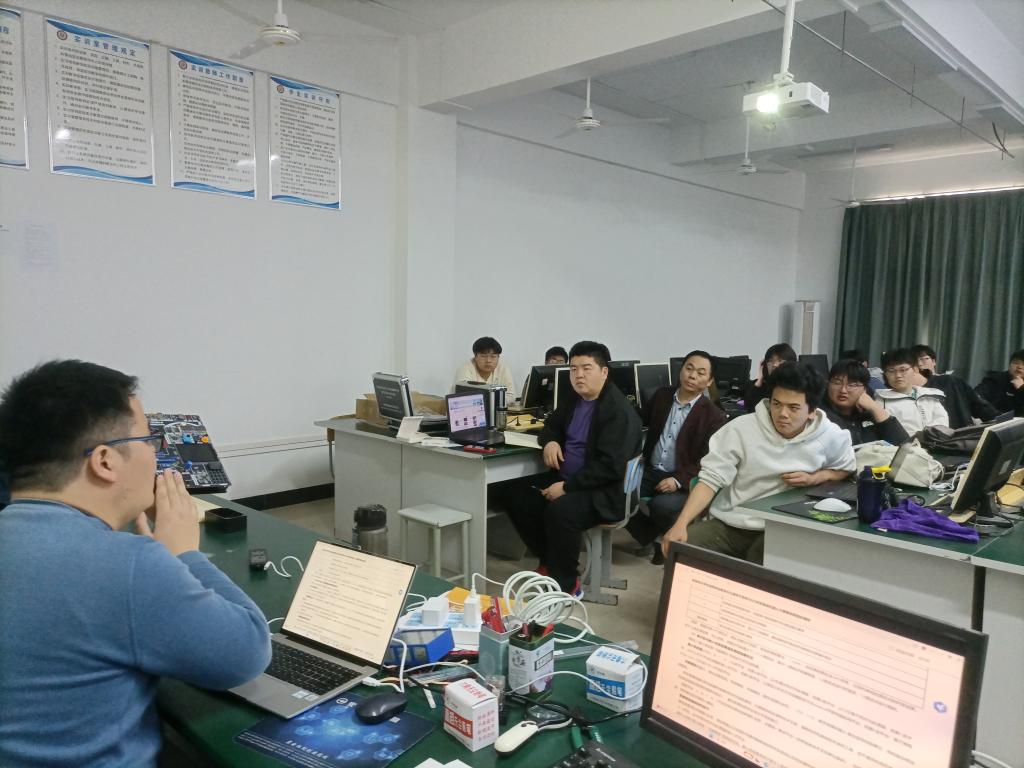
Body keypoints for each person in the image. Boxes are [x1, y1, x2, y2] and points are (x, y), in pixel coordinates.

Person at [0, 360, 272, 768]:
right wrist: (183, 554)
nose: (156, 454)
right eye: (149, 440)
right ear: (105, 461)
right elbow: (246, 652)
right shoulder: (126, 565)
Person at [661, 362, 855, 564]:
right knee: (680, 549)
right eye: (776, 404)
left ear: (812, 411)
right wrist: (681, 523)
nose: (783, 414)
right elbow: (710, 479)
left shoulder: (829, 435)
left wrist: (816, 477)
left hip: (783, 528)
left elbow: (846, 468)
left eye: (793, 408)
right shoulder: (741, 429)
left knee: (759, 563)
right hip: (730, 522)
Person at [504, 341, 642, 594]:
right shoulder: (575, 399)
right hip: (570, 479)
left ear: (604, 372)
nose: (579, 375)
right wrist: (551, 441)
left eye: (586, 368)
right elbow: (551, 426)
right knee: (515, 494)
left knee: (561, 512)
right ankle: (550, 562)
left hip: (605, 491)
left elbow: (609, 467)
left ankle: (567, 583)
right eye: (574, 369)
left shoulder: (617, 411)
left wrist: (567, 488)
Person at [625, 351, 727, 564]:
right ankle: (653, 537)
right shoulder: (662, 396)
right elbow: (637, 420)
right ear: (681, 371)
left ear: (709, 381)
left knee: (662, 507)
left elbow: (707, 459)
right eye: (689, 368)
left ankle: (671, 540)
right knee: (615, 494)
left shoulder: (714, 416)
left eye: (701, 373)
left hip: (682, 477)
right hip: (650, 470)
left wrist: (678, 480)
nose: (692, 375)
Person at [821, 359, 910, 445]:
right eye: (837, 383)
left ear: (864, 389)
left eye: (852, 385)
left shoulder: (869, 413)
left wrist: (874, 408)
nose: (843, 390)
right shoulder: (820, 415)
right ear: (828, 384)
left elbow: (905, 445)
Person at [910, 344, 998, 428]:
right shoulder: (911, 390)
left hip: (961, 433)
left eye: (924, 359)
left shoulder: (951, 382)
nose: (920, 364)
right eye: (915, 361)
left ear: (934, 361)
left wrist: (1000, 421)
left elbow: (979, 407)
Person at [874, 348, 949, 435]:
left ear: (915, 369)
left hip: (936, 440)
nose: (898, 375)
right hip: (904, 442)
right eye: (891, 371)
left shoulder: (930, 394)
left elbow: (942, 421)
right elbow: (890, 431)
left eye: (903, 370)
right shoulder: (881, 400)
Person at [452, 336, 518, 398]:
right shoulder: (465, 369)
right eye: (483, 356)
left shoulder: (503, 368)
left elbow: (511, 396)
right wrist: (495, 401)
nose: (488, 361)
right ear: (475, 356)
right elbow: (465, 398)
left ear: (498, 357)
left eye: (493, 356)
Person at [743, 342, 796, 413]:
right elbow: (748, 406)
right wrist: (760, 379)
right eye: (771, 361)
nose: (774, 365)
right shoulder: (760, 385)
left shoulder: (798, 386)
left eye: (780, 361)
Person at [975, 349, 1024, 417]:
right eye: (1016, 363)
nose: (1019, 367)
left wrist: (1022, 388)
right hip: (996, 419)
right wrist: (996, 415)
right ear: (1009, 365)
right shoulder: (995, 380)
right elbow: (977, 395)